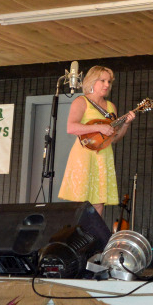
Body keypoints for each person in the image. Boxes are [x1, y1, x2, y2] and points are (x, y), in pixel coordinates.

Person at [57, 65, 135, 216]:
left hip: (103, 155)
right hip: (84, 155)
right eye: (103, 81)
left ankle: (94, 231)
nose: (107, 85)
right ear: (92, 81)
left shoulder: (111, 106)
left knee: (99, 202)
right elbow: (71, 127)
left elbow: (114, 138)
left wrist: (126, 124)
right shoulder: (81, 101)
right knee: (81, 200)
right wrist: (98, 127)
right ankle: (78, 231)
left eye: (109, 81)